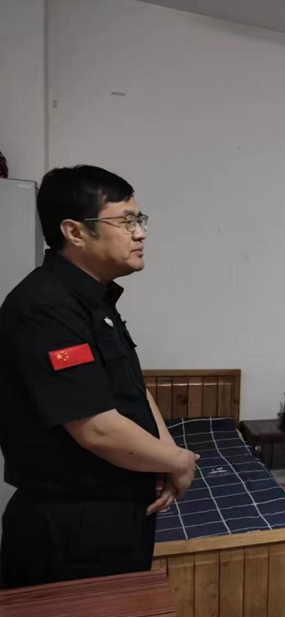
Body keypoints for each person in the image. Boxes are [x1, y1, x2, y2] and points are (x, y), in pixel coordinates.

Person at [0, 165, 199, 589]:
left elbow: (133, 389)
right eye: (126, 221)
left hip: (116, 512)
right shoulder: (47, 307)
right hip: (74, 525)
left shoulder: (94, 300)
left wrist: (164, 452)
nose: (140, 233)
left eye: (139, 220)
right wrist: (179, 462)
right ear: (75, 232)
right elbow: (96, 429)